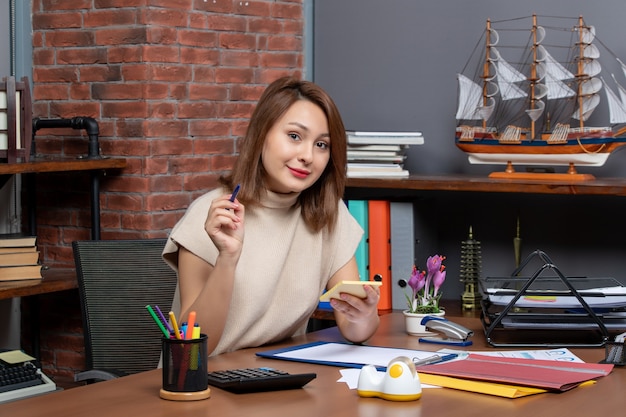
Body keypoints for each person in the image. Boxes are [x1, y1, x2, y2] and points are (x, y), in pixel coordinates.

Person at [163, 76, 380, 356]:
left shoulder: (329, 213)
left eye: (322, 145)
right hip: (203, 384)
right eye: (294, 136)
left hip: (280, 380)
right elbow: (192, 348)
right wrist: (227, 259)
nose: (308, 156)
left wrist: (363, 315)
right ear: (262, 134)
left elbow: (354, 329)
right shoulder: (213, 215)